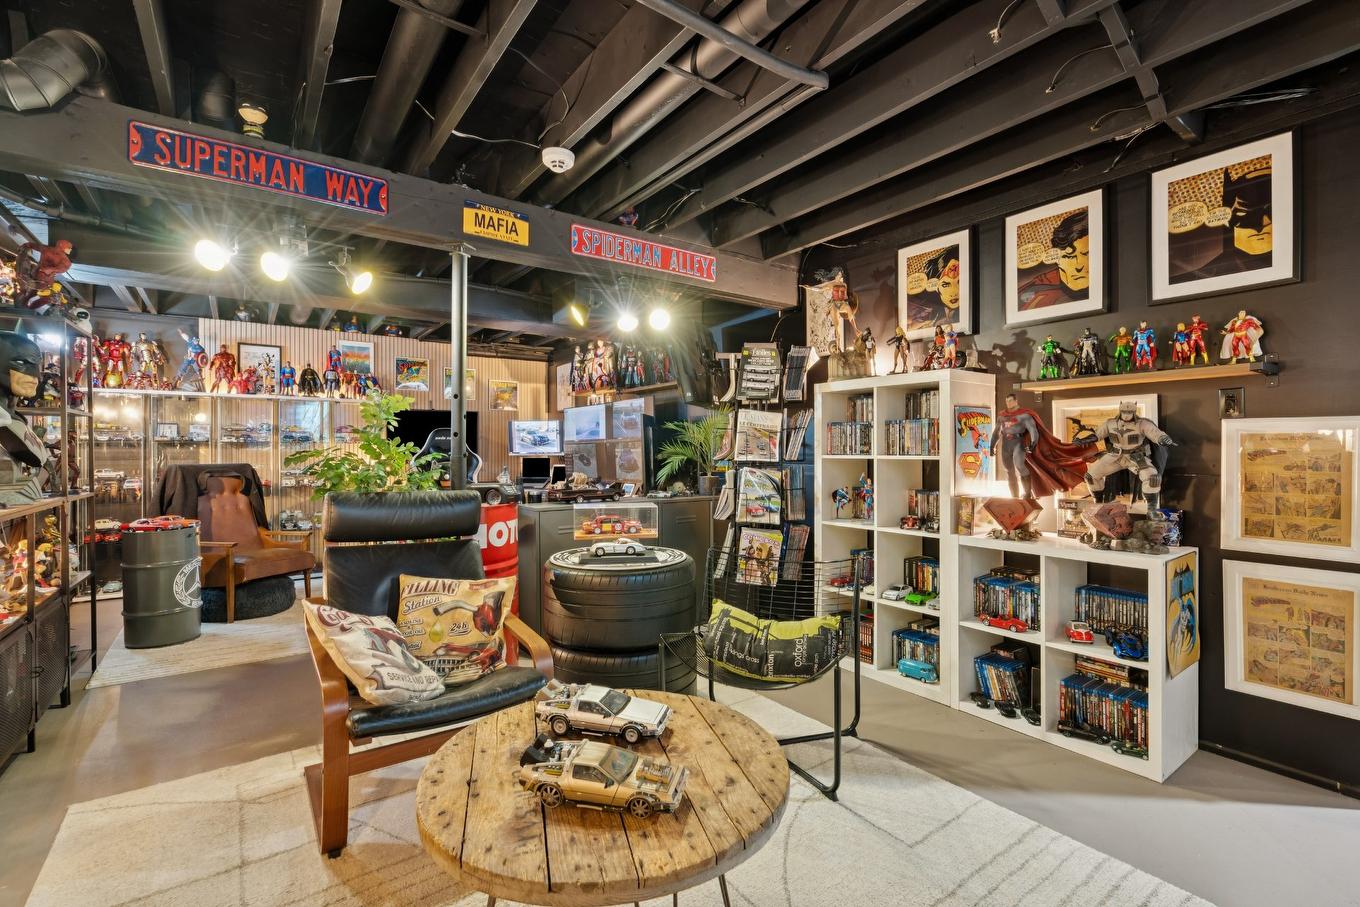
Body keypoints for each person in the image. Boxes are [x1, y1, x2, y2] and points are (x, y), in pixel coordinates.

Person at [989, 393, 1098, 500]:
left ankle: (1027, 494)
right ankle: (1014, 497)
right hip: (1006, 444)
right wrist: (992, 446)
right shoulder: (1002, 416)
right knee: (1008, 470)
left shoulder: (1024, 415)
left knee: (1020, 467)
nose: (1008, 403)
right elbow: (996, 432)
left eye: (1011, 401)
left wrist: (1033, 444)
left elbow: (1033, 431)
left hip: (1019, 443)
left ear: (1016, 401)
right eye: (1007, 401)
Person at [1176, 164, 1272, 281]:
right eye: (1244, 214)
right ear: (1227, 220)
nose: (1261, 225)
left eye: (1271, 212)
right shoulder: (1198, 278)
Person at [1083, 401, 1175, 511]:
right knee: (1091, 476)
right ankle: (1098, 504)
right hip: (1115, 457)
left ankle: (1152, 511)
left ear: (1134, 412)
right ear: (1120, 411)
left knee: (1152, 478)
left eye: (1129, 412)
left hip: (1136, 458)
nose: (1126, 415)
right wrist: (1084, 440)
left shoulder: (1142, 424)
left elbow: (1155, 433)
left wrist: (1162, 438)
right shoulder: (1110, 423)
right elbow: (1097, 435)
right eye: (1124, 412)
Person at [1017, 210, 1089, 310]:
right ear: (1057, 259)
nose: (1078, 266)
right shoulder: (1036, 293)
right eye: (1069, 257)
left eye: (1087, 255)